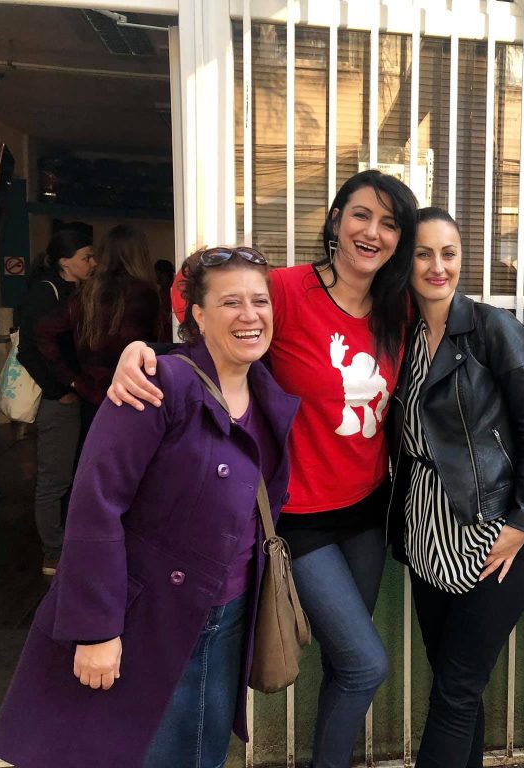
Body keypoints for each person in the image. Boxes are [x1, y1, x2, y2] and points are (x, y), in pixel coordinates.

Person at [105, 169, 418, 768]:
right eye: (361, 214)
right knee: (366, 663)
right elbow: (206, 310)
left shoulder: (396, 308)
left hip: (367, 511)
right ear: (335, 220)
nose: (372, 232)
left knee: (345, 664)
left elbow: (458, 336)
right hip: (295, 517)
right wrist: (145, 352)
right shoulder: (287, 290)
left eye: (389, 223)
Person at [0, 246, 298, 767]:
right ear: (198, 316)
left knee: (201, 754)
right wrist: (96, 628)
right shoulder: (156, 385)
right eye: (230, 302)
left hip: (229, 615)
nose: (250, 315)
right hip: (148, 620)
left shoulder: (265, 391)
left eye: (259, 301)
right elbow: (95, 503)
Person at [385, 208, 524, 767]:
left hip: (491, 531)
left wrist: (522, 524)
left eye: (449, 253)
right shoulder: (403, 337)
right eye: (423, 254)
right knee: (456, 685)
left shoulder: (493, 328)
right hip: (425, 529)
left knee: (455, 691)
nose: (438, 266)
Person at [36, 224, 168, 442]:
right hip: (138, 395)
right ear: (140, 254)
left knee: (94, 457)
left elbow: (44, 333)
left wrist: (73, 379)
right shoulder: (147, 295)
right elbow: (164, 344)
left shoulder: (86, 293)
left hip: (94, 396)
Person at [15, 226, 96, 576]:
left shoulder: (77, 291)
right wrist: (59, 390)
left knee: (69, 475)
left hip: (74, 396)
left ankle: (66, 546)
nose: (93, 263)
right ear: (65, 261)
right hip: (58, 400)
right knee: (55, 479)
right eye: (86, 257)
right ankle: (53, 553)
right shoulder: (45, 293)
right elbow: (29, 351)